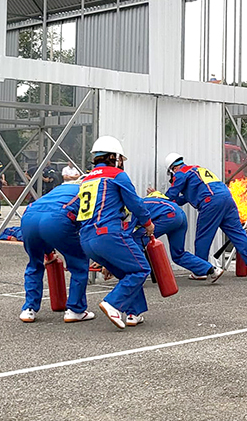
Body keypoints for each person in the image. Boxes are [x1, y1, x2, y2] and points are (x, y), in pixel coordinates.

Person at [77, 136, 155, 329]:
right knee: (141, 268)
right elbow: (135, 202)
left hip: (86, 238)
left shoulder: (86, 179)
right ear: (114, 157)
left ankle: (133, 313)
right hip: (108, 233)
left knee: (127, 271)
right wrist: (148, 223)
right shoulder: (116, 175)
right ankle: (112, 303)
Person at [160, 152, 247, 279]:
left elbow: (171, 195)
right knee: (237, 233)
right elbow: (183, 199)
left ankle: (200, 271)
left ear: (173, 168)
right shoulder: (198, 170)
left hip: (211, 202)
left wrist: (157, 198)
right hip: (227, 199)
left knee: (203, 237)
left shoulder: (181, 173)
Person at [18, 181, 94, 324]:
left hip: (29, 217)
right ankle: (75, 310)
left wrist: (48, 250)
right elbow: (87, 223)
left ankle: (29, 309)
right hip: (58, 218)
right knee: (79, 263)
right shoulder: (89, 190)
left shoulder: (60, 188)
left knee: (34, 263)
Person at [136, 192, 224, 281]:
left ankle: (137, 275)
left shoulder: (133, 207)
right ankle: (211, 270)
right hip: (180, 215)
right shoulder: (154, 202)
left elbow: (128, 232)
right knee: (178, 254)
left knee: (136, 240)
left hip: (168, 217)